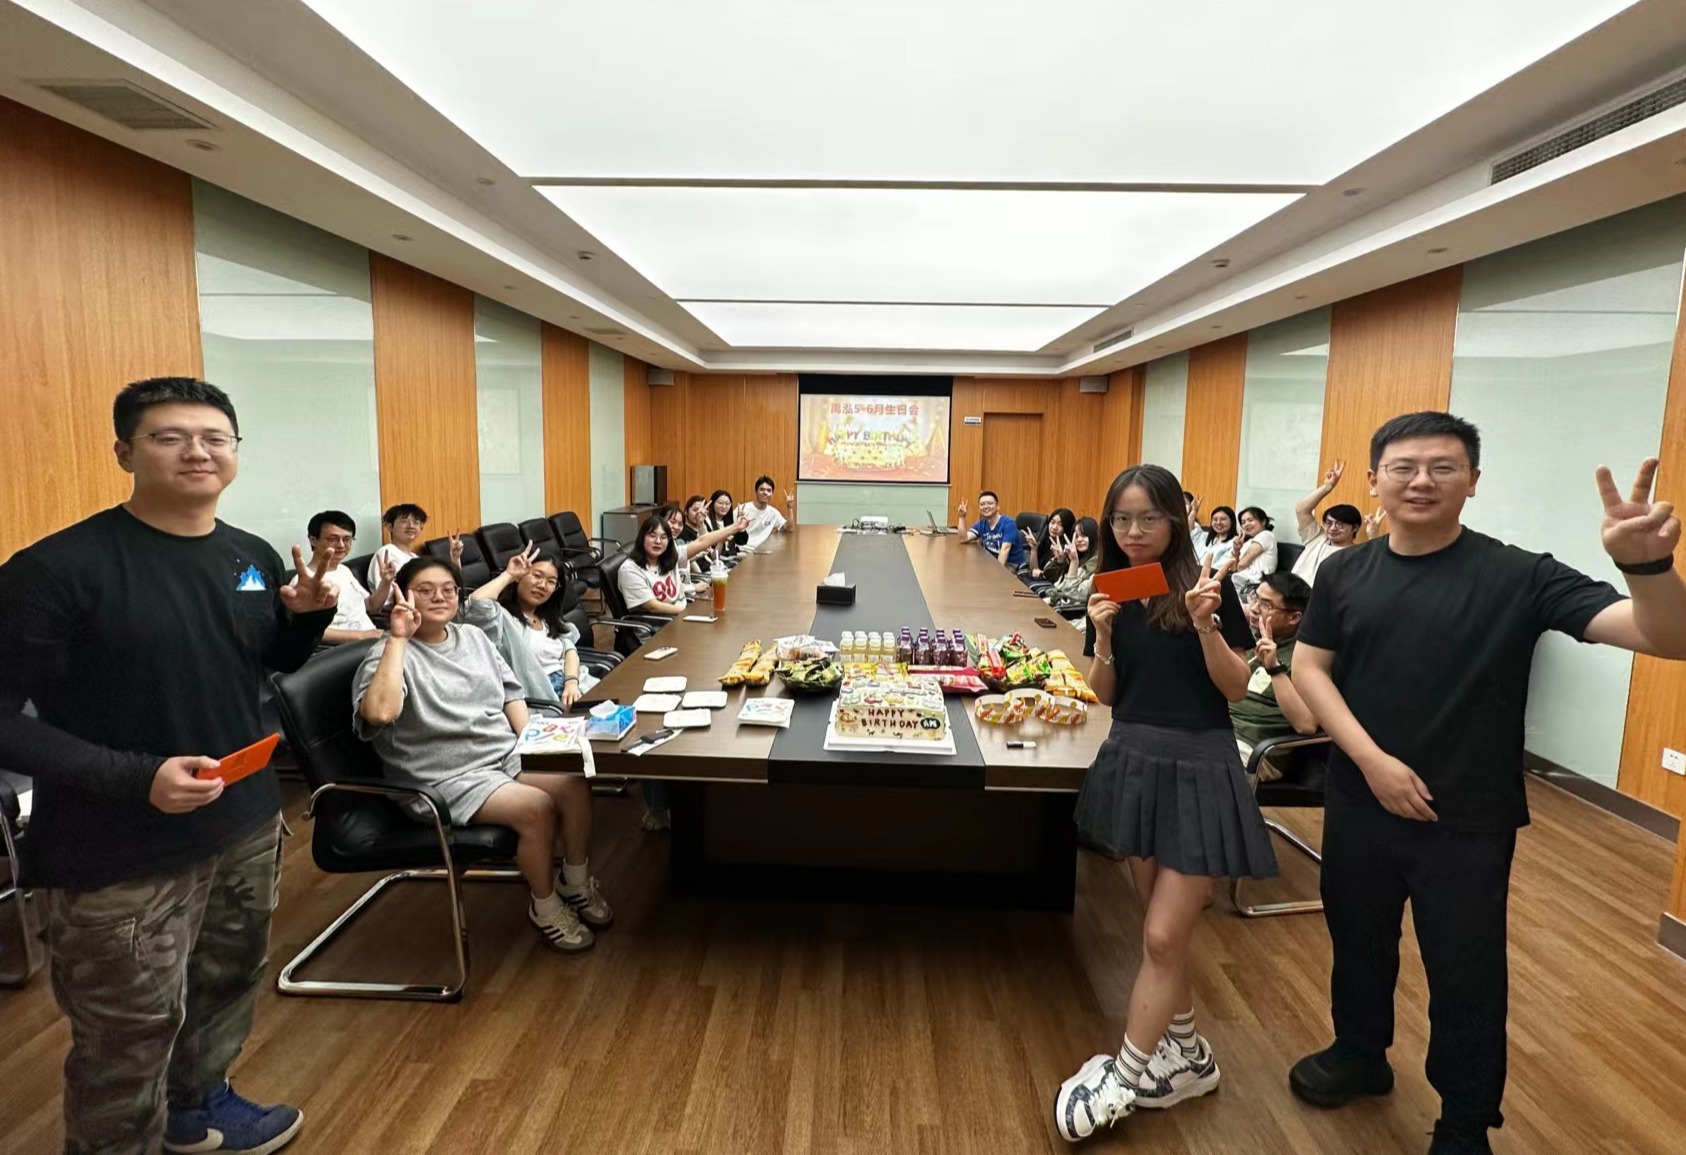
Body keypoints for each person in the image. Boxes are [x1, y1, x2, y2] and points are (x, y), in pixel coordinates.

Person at [1287, 412, 1686, 1155]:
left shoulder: (1519, 575)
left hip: (1466, 816)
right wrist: (1371, 762)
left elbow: (1669, 637)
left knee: (1466, 971)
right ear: (1373, 481)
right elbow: (1310, 667)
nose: (1422, 481)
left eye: (1443, 467)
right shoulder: (1344, 570)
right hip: (1359, 799)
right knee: (1358, 939)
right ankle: (1360, 1053)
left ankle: (1467, 1119)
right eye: (1403, 467)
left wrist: (1649, 568)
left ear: (1473, 481)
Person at [0, 376, 339, 1155]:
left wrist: (305, 621)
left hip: (244, 819)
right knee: (127, 1035)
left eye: (215, 437)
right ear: (124, 451)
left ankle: (196, 1106)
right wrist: (135, 775)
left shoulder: (249, 555)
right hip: (116, 849)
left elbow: (258, 660)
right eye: (169, 436)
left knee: (225, 981)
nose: (198, 451)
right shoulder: (56, 569)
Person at [1054, 464, 1275, 1142]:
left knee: (1158, 935)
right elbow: (1106, 694)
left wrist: (1207, 626)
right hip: (1134, 757)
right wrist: (1104, 638)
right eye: (1121, 518)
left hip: (1200, 765)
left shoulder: (1205, 585)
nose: (1133, 531)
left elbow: (1235, 688)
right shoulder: (1114, 588)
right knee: (1161, 927)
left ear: (1176, 518)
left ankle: (1122, 1079)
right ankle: (1189, 1053)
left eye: (1148, 517)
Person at [354, 556, 613, 952]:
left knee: (571, 778)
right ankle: (545, 905)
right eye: (425, 590)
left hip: (501, 753)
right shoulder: (387, 655)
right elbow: (379, 713)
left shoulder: (472, 637)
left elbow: (511, 692)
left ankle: (574, 883)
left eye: (448, 590)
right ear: (402, 597)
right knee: (537, 807)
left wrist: (531, 742)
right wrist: (398, 638)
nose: (439, 597)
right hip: (444, 776)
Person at [471, 544, 596, 707]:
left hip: (573, 685)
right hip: (545, 700)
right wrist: (509, 575)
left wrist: (571, 682)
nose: (542, 585)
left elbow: (569, 650)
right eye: (537, 576)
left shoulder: (547, 619)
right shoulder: (502, 619)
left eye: (551, 582)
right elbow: (477, 603)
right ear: (519, 576)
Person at [1229, 571, 1318, 781]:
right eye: (1255, 597)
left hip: (1254, 749)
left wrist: (1274, 668)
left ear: (1293, 618)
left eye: (1266, 605)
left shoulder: (1307, 657)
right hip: (1219, 730)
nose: (1254, 608)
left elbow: (1306, 724)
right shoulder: (1249, 638)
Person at [293, 510, 392, 644]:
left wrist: (386, 582)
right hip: (343, 649)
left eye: (347, 539)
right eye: (333, 539)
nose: (341, 545)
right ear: (313, 540)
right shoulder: (303, 580)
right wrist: (361, 636)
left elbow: (372, 606)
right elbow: (308, 630)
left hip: (372, 640)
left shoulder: (344, 570)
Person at [1289, 461, 1374, 585]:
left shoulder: (1356, 554)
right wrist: (1327, 487)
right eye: (1328, 523)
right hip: (1289, 589)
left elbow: (1373, 569)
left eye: (1340, 524)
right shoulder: (1317, 538)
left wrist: (1373, 535)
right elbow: (1301, 510)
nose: (1332, 528)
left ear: (1355, 527)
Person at [617, 515, 688, 617]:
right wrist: (685, 611)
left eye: (663, 537)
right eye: (652, 536)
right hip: (656, 623)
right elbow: (652, 606)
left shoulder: (668, 561)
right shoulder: (629, 569)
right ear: (642, 538)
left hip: (677, 615)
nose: (658, 541)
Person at [1214, 505, 1278, 602]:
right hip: (1240, 582)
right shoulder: (1249, 542)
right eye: (1243, 522)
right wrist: (1236, 550)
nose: (1246, 524)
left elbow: (1241, 565)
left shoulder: (1266, 535)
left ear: (1263, 521)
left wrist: (1238, 564)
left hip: (1253, 585)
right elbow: (1234, 568)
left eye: (1250, 520)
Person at [367, 502, 428, 592]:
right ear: (390, 527)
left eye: (416, 522)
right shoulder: (385, 553)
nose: (411, 526)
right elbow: (385, 596)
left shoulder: (416, 558)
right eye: (404, 521)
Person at [957, 490, 1028, 567]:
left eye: (990, 503)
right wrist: (962, 517)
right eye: (982, 504)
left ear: (997, 507)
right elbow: (963, 538)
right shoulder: (981, 524)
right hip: (991, 562)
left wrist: (996, 572)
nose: (986, 506)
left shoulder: (1008, 523)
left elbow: (1005, 550)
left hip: (1011, 564)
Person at [1044, 517, 1101, 611]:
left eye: (1083, 536)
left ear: (1094, 537)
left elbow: (1073, 594)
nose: (1079, 540)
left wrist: (1074, 562)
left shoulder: (1097, 564)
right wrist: (1060, 561)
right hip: (1060, 605)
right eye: (1076, 536)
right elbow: (1053, 581)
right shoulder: (1076, 556)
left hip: (1072, 612)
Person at [737, 475, 794, 549]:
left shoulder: (773, 513)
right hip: (742, 549)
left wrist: (790, 508)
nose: (765, 493)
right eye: (762, 489)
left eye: (769, 490)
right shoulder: (743, 509)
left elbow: (789, 528)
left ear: (772, 494)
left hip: (761, 551)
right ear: (756, 491)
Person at [1027, 507, 1077, 582]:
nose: (1054, 527)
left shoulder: (1067, 549)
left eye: (1060, 525)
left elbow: (1048, 578)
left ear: (1067, 528)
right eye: (1052, 522)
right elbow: (1035, 571)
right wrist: (1034, 549)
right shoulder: (1046, 541)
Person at [1195, 505, 1238, 570]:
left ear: (1232, 522)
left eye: (1223, 519)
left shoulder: (1235, 542)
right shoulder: (1205, 536)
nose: (1218, 522)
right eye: (1215, 519)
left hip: (1212, 573)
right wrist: (1193, 512)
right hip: (1193, 570)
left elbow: (1224, 567)